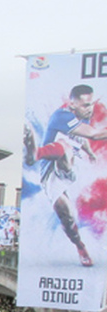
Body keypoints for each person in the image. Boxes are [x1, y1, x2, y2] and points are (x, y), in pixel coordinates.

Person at [24, 84, 107, 266]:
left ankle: (36, 153)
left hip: (73, 166)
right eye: (85, 105)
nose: (90, 109)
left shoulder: (82, 118)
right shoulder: (61, 116)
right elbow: (93, 135)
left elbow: (83, 138)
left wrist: (91, 154)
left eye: (91, 104)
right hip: (51, 169)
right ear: (72, 104)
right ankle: (80, 246)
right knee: (66, 215)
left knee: (67, 148)